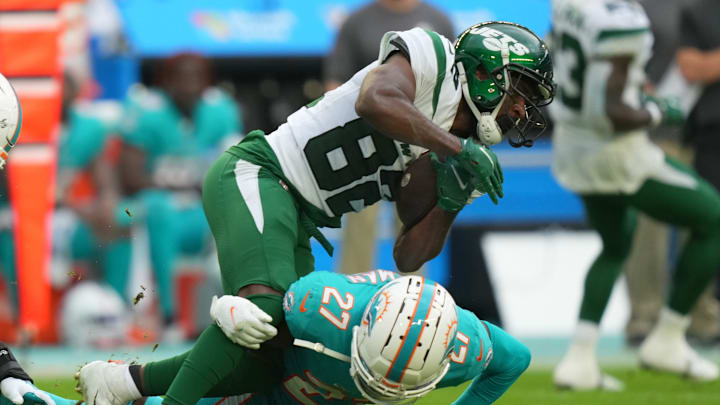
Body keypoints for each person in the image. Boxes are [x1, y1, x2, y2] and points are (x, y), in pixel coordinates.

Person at [78, 21, 555, 405]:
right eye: (519, 91)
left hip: (301, 216)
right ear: (491, 69)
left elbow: (410, 253)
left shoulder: (461, 150)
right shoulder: (433, 55)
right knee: (262, 312)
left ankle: (126, 383)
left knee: (278, 358)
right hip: (261, 173)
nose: (521, 109)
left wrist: (450, 202)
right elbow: (376, 100)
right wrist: (453, 148)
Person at [550, 0, 720, 390]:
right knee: (712, 217)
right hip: (617, 153)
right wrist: (658, 111)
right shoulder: (620, 20)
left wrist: (631, 91)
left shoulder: (569, 6)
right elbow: (614, 111)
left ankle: (578, 360)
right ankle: (668, 338)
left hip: (573, 147)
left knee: (615, 244)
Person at [74, 271, 530, 405]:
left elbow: (516, 359)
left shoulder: (466, 347)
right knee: (256, 328)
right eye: (372, 379)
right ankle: (126, 383)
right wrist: (230, 305)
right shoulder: (323, 310)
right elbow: (268, 309)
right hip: (294, 374)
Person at [324, 0, 455, 277]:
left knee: (414, 229)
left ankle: (415, 305)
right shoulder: (357, 21)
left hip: (419, 146)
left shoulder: (438, 21)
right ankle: (351, 301)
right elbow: (334, 85)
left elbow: (453, 87)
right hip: (366, 144)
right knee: (359, 229)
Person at [117, 53, 242, 335]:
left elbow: (236, 168)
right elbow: (129, 177)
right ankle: (168, 316)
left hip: (200, 213)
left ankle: (231, 313)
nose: (189, 86)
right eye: (182, 79)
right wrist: (182, 185)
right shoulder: (147, 111)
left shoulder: (220, 110)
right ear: (166, 82)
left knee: (236, 210)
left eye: (196, 78)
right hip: (158, 212)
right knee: (157, 207)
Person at [623, 0, 720, 348]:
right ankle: (644, 318)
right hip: (650, 132)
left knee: (705, 223)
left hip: (698, 133)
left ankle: (700, 315)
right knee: (650, 230)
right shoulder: (636, 5)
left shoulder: (700, 6)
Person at [677, 0, 720, 327]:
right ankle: (701, 318)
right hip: (711, 135)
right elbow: (691, 67)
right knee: (708, 223)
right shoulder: (698, 10)